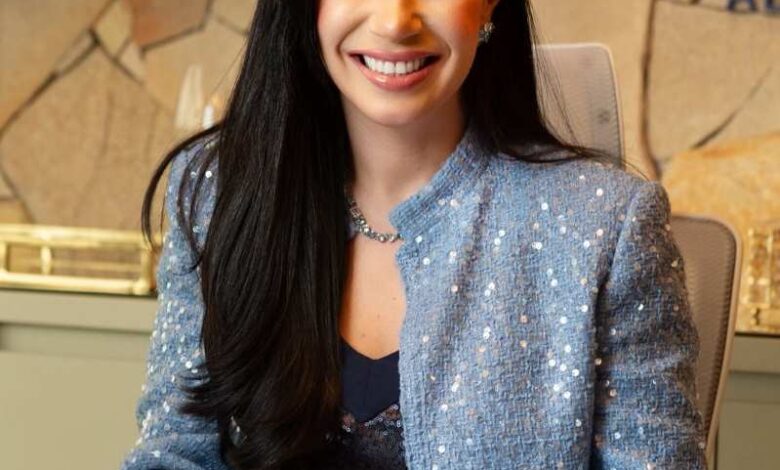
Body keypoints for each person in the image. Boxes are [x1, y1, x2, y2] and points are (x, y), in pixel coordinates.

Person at [121, 0, 708, 468]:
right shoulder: (217, 193)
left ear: (490, 5)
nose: (395, 21)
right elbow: (175, 449)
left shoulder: (605, 226)